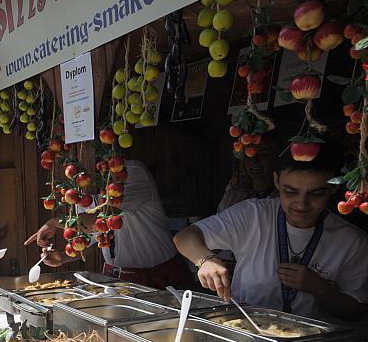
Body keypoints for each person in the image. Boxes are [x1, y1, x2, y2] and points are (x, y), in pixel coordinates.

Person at [174, 147, 368, 321]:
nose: (301, 204)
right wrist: (206, 259)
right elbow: (185, 237)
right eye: (290, 192)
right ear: (276, 180)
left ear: (334, 187)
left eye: (316, 194)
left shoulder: (351, 241)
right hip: (246, 332)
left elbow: (354, 311)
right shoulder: (254, 214)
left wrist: (320, 288)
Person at [26, 159, 192, 290]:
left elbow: (102, 218)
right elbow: (92, 239)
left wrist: (55, 223)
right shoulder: (82, 191)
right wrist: (63, 257)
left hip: (162, 276)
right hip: (119, 278)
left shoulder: (130, 173)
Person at [217, 135, 279, 213]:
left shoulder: (283, 194)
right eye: (249, 155)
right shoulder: (235, 190)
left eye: (263, 155)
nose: (255, 161)